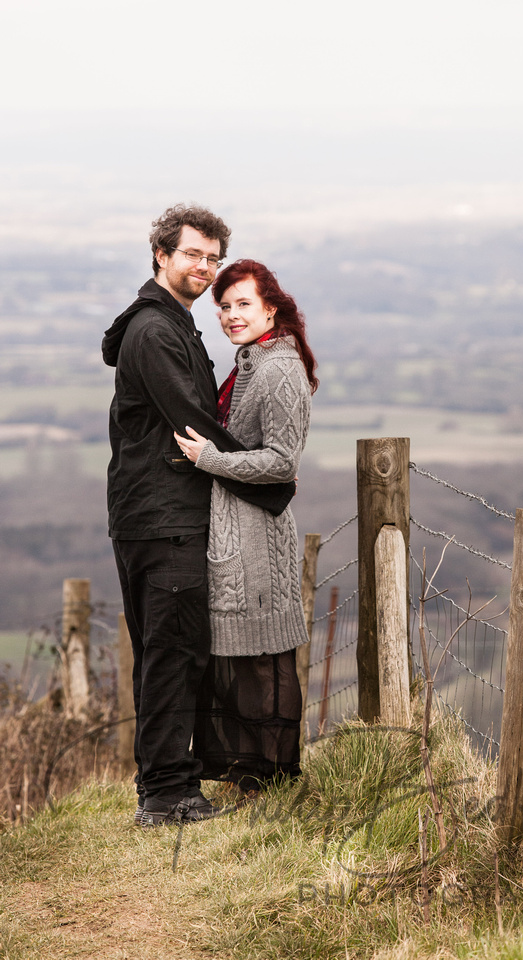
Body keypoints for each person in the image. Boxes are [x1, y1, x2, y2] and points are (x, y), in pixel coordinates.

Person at [102, 206, 295, 827]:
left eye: (212, 259)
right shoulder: (157, 332)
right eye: (193, 255)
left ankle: (168, 783)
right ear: (161, 254)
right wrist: (270, 481)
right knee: (173, 654)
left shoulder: (171, 324)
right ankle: (167, 795)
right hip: (166, 519)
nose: (204, 268)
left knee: (169, 651)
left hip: (159, 517)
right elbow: (194, 420)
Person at [174, 259, 318, 795]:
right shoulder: (251, 361)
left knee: (262, 661)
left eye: (244, 305)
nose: (232, 316)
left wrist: (211, 460)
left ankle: (273, 782)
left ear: (270, 309)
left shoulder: (279, 369)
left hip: (259, 540)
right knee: (239, 657)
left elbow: (281, 461)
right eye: (225, 305)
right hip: (235, 533)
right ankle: (247, 778)